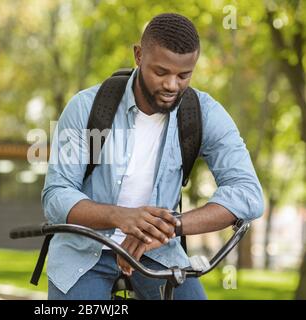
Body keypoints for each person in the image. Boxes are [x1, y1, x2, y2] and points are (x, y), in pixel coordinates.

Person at [41, 13, 264, 300]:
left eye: (184, 75)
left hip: (159, 252)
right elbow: (56, 196)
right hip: (83, 254)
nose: (172, 85)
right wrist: (120, 217)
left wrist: (168, 227)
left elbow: (247, 193)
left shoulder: (204, 114)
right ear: (138, 55)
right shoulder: (85, 107)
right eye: (161, 72)